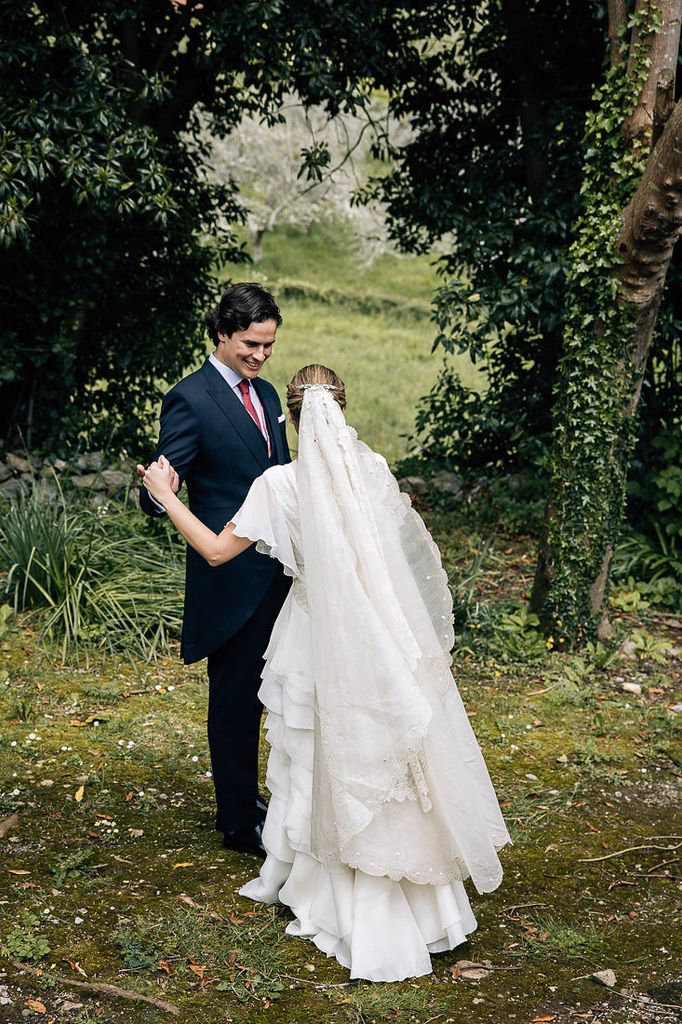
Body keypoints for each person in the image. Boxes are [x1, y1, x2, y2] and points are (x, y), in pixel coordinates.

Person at [142, 364, 511, 982]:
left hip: (312, 637)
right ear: (343, 410)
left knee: (317, 753)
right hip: (375, 635)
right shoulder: (372, 471)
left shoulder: (278, 484)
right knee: (382, 756)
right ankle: (412, 897)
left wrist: (166, 493)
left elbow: (215, 551)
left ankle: (324, 886)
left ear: (289, 417)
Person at [137, 283, 291, 857]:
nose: (260, 355)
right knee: (234, 700)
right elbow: (159, 484)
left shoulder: (268, 394)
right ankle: (238, 820)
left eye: (268, 345)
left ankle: (256, 797)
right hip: (228, 577)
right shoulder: (190, 398)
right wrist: (164, 490)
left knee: (273, 692)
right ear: (223, 333)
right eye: (251, 344)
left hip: (277, 571)